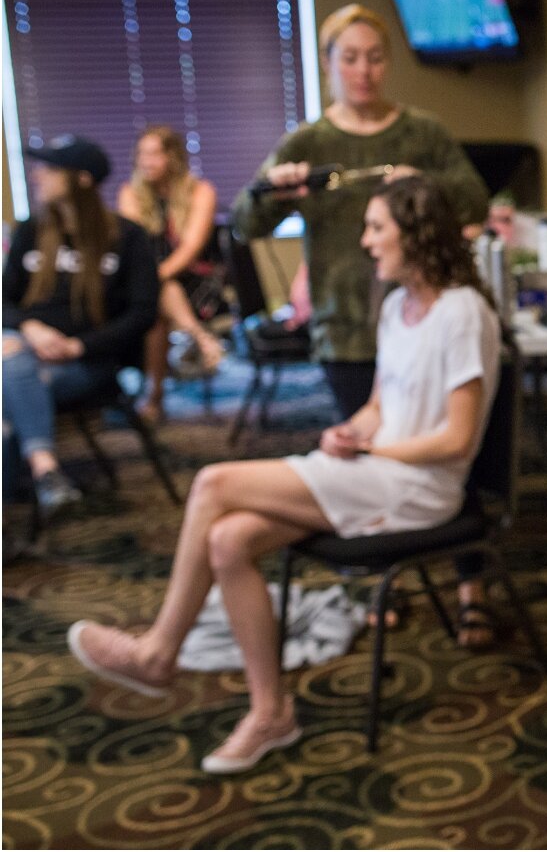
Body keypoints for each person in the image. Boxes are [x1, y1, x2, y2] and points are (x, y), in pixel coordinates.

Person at [68, 175, 502, 774]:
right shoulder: (398, 307)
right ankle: (271, 712)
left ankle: (157, 652)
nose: (367, 241)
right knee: (228, 539)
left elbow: (457, 440)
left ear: (419, 234)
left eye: (377, 228)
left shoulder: (463, 312)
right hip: (376, 471)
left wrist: (374, 455)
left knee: (213, 484)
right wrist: (350, 431)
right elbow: (382, 407)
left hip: (423, 490)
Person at [231, 4, 501, 646]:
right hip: (350, 323)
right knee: (377, 460)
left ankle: (473, 588)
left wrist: (424, 183)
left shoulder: (423, 132)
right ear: (328, 66)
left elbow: (474, 200)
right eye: (349, 57)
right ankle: (395, 577)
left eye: (374, 56)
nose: (363, 69)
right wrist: (274, 192)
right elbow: (245, 223)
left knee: (461, 450)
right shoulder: (310, 143)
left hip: (429, 314)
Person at [3, 135, 160, 521]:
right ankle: (45, 470)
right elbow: (4, 303)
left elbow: (143, 314)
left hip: (90, 364)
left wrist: (78, 347)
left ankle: (25, 492)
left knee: (11, 371)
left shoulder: (127, 237)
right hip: (27, 352)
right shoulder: (31, 231)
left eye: (52, 169)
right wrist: (33, 330)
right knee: (15, 364)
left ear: (83, 179)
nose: (39, 176)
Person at [117, 125, 225, 423]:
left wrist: (154, 277)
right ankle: (200, 338)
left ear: (173, 157)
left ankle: (154, 398)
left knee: (158, 300)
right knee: (156, 301)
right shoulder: (131, 194)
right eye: (141, 154)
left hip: (197, 281)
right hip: (151, 283)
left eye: (154, 154)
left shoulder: (201, 191)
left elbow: (191, 247)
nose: (146, 161)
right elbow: (134, 247)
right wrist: (150, 278)